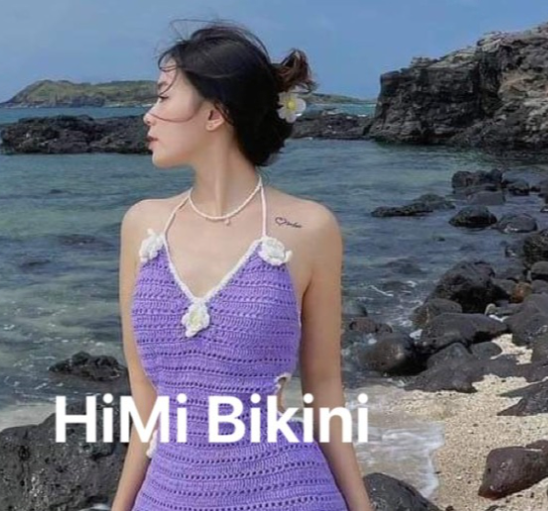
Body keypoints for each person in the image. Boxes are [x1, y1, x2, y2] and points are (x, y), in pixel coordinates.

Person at [112, 20, 374, 511]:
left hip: (289, 493)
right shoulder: (142, 224)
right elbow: (145, 399)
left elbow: (323, 389)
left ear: (216, 113)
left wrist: (362, 507)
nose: (149, 114)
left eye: (164, 97)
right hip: (168, 495)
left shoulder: (310, 227)